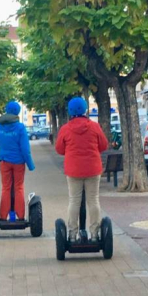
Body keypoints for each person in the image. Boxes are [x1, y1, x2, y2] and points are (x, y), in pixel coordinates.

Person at [55, 97, 109, 241]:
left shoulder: (65, 129)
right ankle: (95, 234)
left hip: (74, 170)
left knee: (74, 201)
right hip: (92, 168)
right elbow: (104, 145)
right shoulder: (94, 126)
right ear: (85, 109)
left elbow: (59, 149)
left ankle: (72, 235)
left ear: (70, 111)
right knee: (93, 200)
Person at [0, 101, 35, 221]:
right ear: (17, 112)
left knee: (6, 187)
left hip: (4, 161)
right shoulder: (20, 127)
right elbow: (25, 149)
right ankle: (20, 216)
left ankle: (3, 217)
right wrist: (30, 165)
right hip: (18, 163)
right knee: (19, 187)